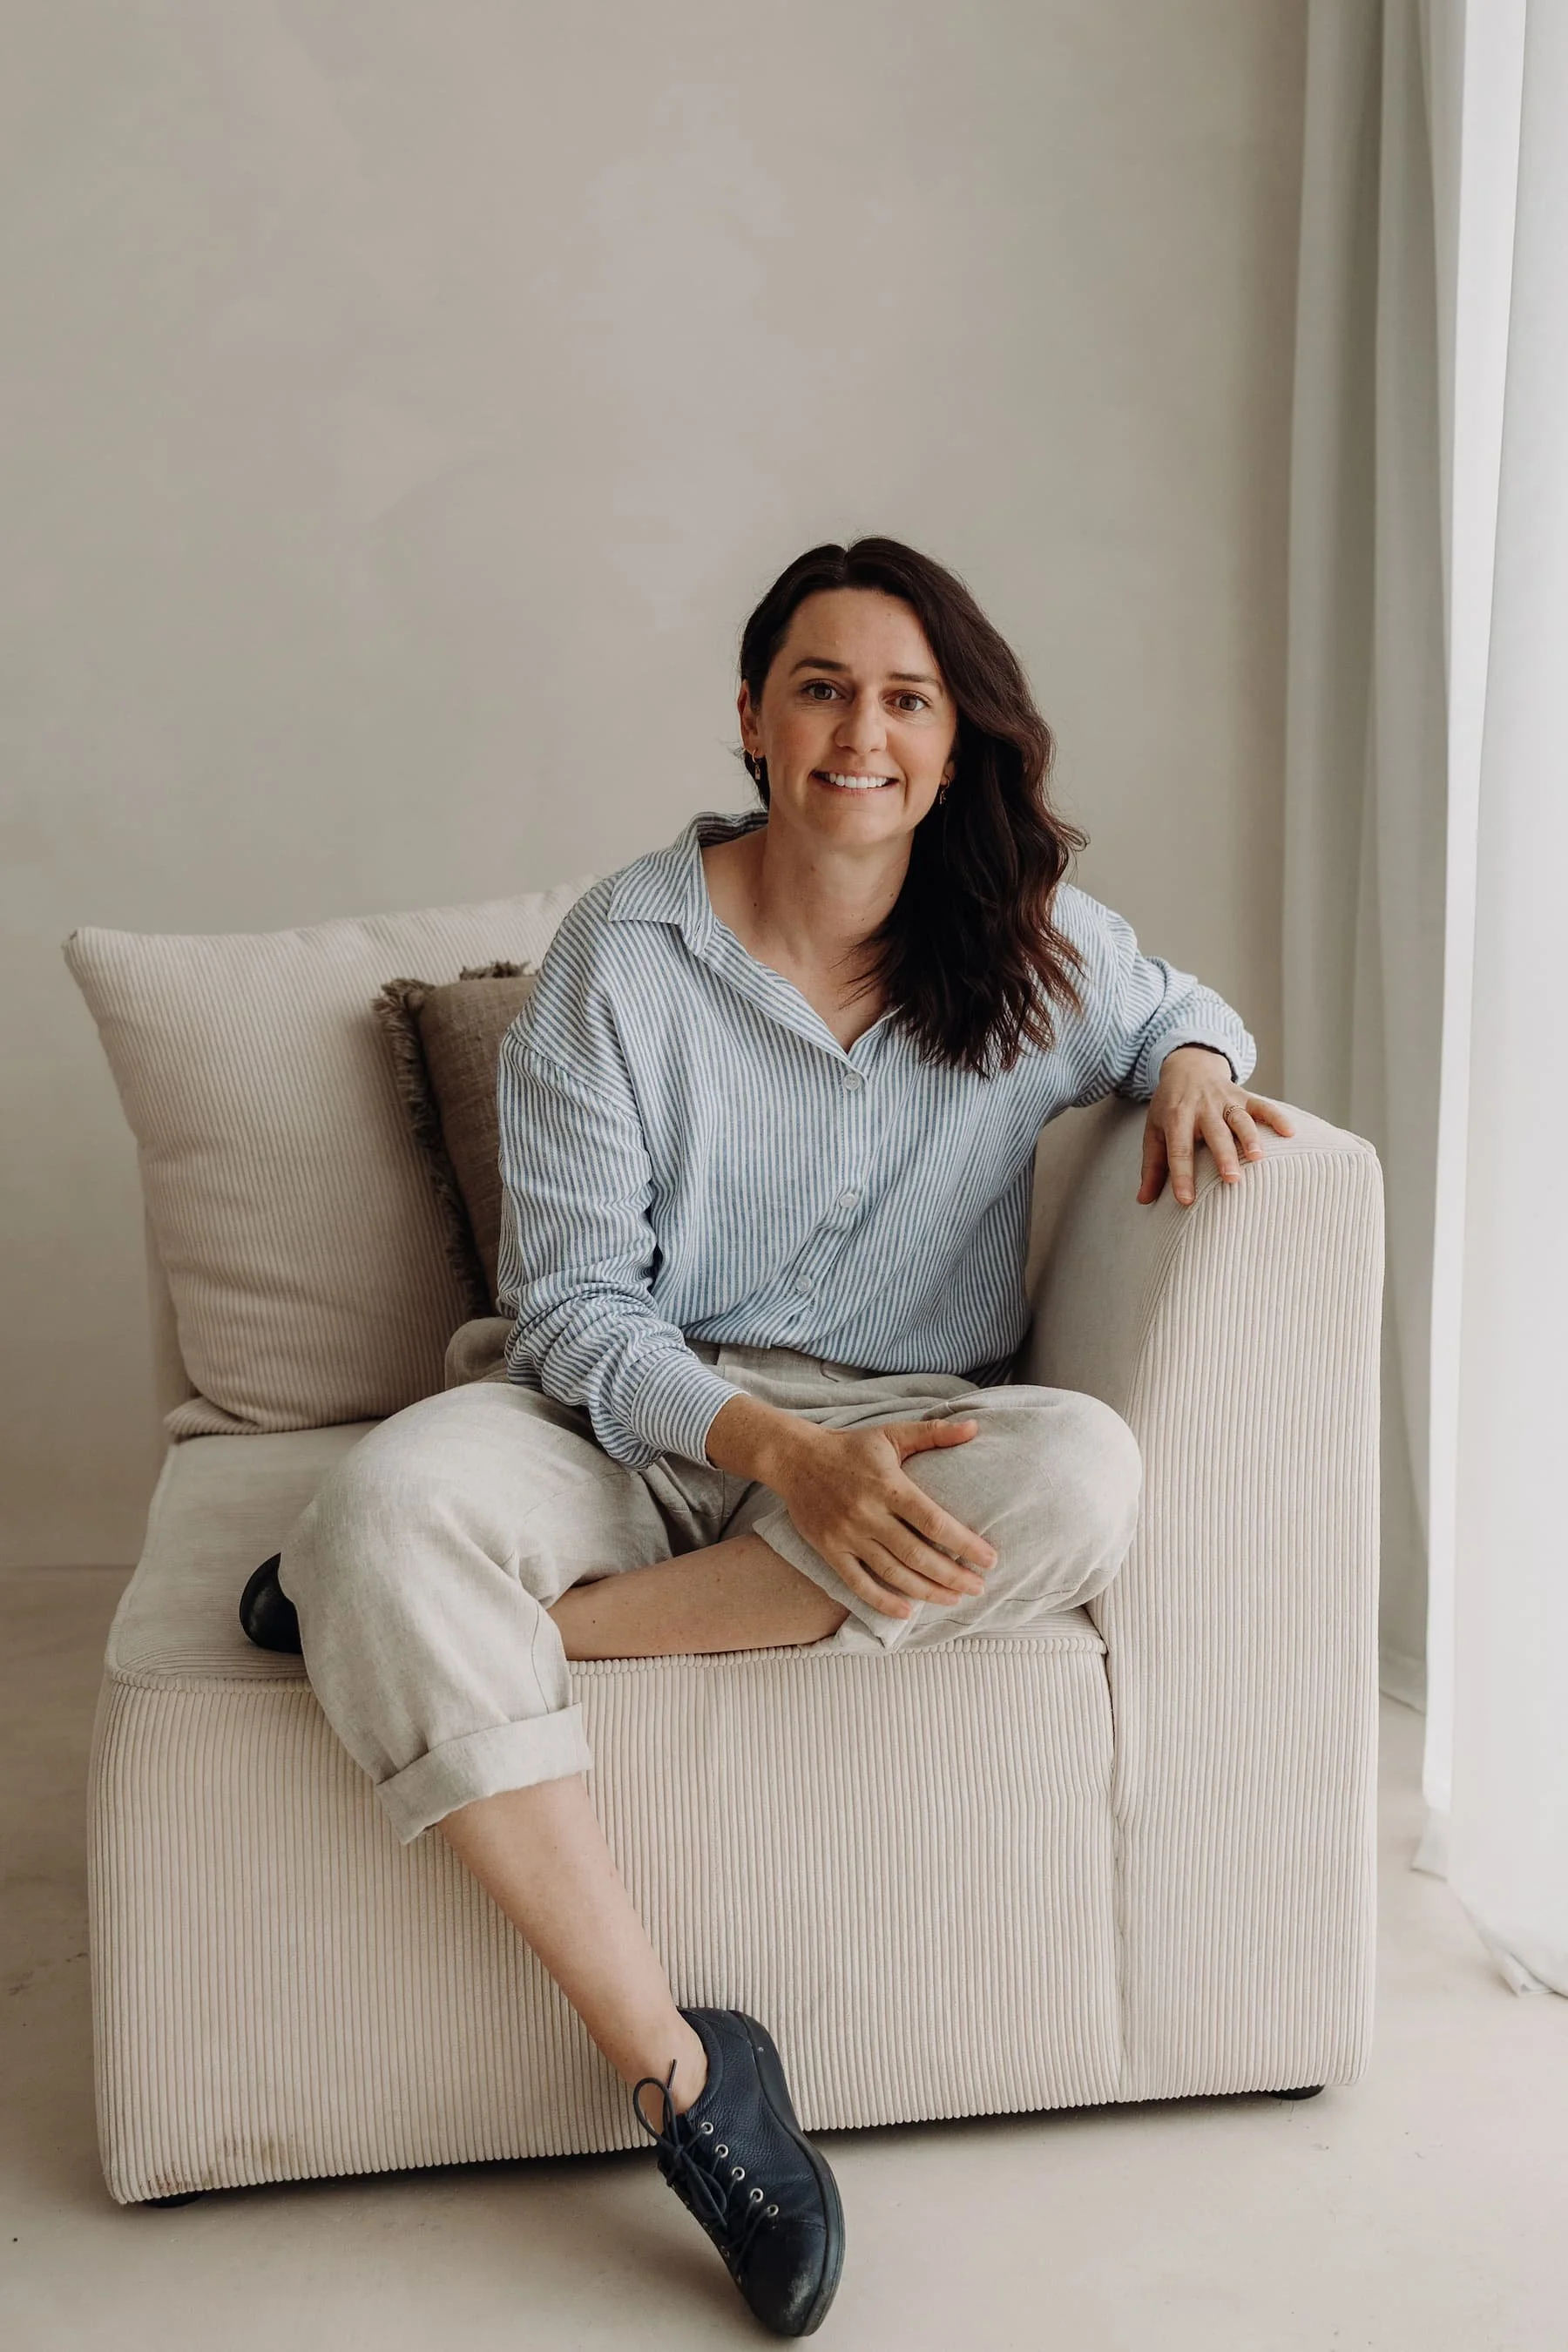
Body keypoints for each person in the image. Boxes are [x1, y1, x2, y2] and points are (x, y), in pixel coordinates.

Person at [269, 537, 1291, 2338]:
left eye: (907, 698)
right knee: (379, 1518)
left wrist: (1198, 1064)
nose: (861, 732)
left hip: (890, 1428)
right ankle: (687, 2079)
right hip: (622, 1418)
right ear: (751, 719)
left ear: (957, 741)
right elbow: (578, 1313)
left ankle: (477, 1640)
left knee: (1085, 1480)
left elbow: (1178, 1007)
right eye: (821, 687)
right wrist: (772, 1449)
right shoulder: (628, 951)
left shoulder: (1030, 947)